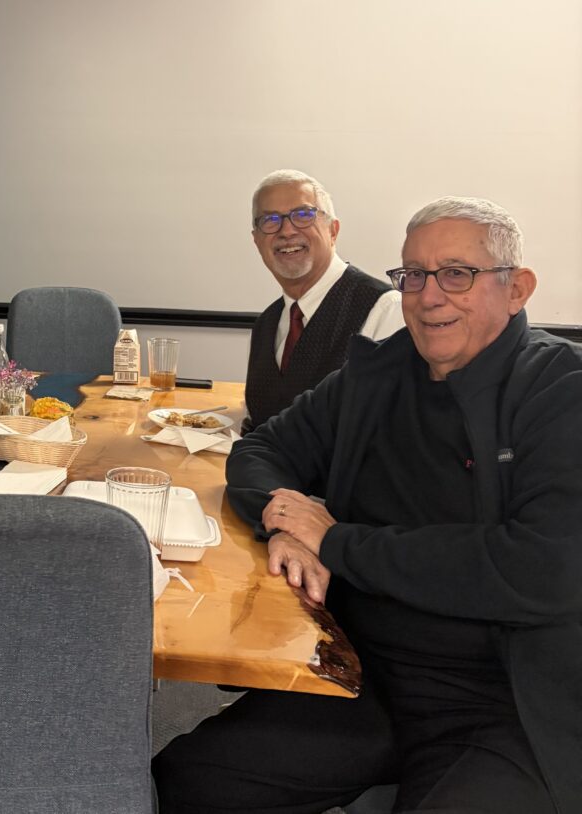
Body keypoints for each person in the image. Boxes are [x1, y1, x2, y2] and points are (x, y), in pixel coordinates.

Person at [153, 197, 582, 813]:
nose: (428, 295)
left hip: (503, 701)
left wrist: (335, 541)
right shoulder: (375, 375)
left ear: (517, 289)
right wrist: (285, 521)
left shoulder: (561, 389)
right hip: (359, 673)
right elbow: (262, 449)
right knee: (190, 780)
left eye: (456, 273)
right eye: (412, 275)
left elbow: (547, 568)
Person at [242, 169, 404, 433]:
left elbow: (385, 433)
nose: (286, 231)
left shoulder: (385, 310)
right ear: (257, 240)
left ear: (333, 230)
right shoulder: (266, 326)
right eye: (270, 220)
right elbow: (256, 423)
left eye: (303, 215)